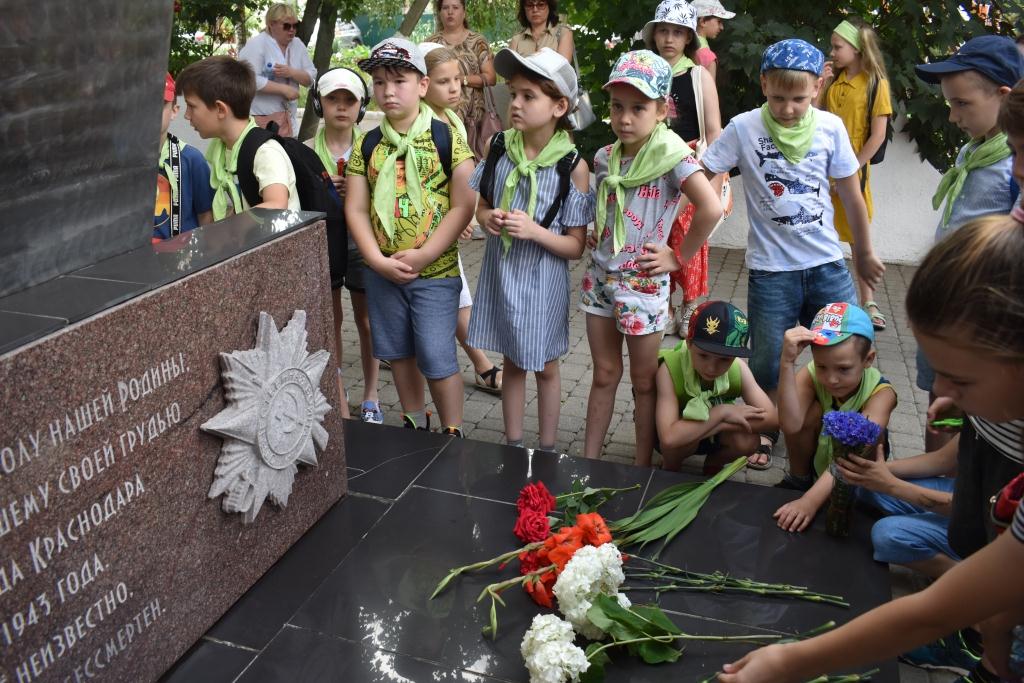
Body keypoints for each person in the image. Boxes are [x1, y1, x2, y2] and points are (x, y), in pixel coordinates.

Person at [716, 212, 1024, 683]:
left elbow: (934, 610)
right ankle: (991, 653)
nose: (938, 392)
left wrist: (792, 659)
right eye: (936, 372)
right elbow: (794, 423)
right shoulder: (992, 417)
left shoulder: (881, 395)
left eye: (959, 378)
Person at [680, 38, 885, 481]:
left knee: (847, 347)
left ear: (817, 85)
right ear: (763, 85)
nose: (788, 108)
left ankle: (858, 432)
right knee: (770, 358)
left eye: (798, 98)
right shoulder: (744, 127)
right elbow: (704, 178)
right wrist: (676, 235)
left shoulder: (830, 129)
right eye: (777, 97)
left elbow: (852, 196)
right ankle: (772, 427)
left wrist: (864, 252)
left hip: (827, 263)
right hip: (772, 271)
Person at [581, 50, 721, 467]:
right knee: (604, 374)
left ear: (662, 110)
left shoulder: (673, 157)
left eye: (638, 108)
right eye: (617, 107)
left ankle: (642, 469)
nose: (625, 118)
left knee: (644, 382)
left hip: (643, 284)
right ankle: (587, 463)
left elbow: (710, 208)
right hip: (600, 279)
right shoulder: (606, 156)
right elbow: (604, 203)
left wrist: (678, 258)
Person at [346, 37, 475, 435]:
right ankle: (415, 423)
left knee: (437, 356)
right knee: (398, 354)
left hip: (434, 273)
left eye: (399, 80)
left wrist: (424, 255)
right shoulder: (367, 144)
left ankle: (453, 431)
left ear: (422, 84)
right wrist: (376, 260)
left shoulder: (445, 138)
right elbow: (355, 207)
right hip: (384, 274)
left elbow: (463, 204)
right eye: (380, 82)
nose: (388, 91)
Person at [467, 48, 593, 450]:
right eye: (513, 93)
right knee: (513, 360)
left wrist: (535, 231)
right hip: (503, 273)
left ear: (560, 106)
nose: (515, 104)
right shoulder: (499, 148)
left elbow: (575, 246)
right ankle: (514, 441)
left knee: (546, 365)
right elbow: (482, 206)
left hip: (543, 280)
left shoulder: (572, 166)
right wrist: (488, 220)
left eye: (528, 97)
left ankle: (549, 447)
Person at [912, 35, 1022, 453]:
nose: (954, 116)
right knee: (938, 403)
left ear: (1003, 95)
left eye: (963, 104)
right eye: (950, 104)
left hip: (978, 314)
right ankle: (934, 488)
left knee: (969, 411)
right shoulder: (972, 151)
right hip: (946, 301)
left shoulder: (1014, 164)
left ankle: (957, 493)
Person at [420, 41, 504, 395]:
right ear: (423, 84)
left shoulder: (451, 118)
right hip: (429, 227)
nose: (455, 88)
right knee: (456, 296)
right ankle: (479, 364)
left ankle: (477, 361)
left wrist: (468, 210)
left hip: (449, 224)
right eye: (444, 81)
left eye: (457, 79)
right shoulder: (423, 125)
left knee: (456, 294)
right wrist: (459, 214)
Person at [772, 303, 897, 532]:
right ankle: (799, 480)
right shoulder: (811, 374)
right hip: (821, 465)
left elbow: (852, 456)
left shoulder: (882, 394)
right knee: (807, 413)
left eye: (843, 369)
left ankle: (838, 498)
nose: (831, 379)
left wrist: (810, 502)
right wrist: (786, 363)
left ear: (868, 359)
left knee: (872, 435)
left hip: (857, 478)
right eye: (822, 366)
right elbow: (790, 425)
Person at [641, 0, 723, 341]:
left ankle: (691, 302)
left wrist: (713, 178)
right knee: (655, 230)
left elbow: (715, 132)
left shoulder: (698, 75)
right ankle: (666, 304)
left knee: (689, 233)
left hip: (690, 166)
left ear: (689, 37)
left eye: (677, 32)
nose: (669, 39)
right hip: (651, 166)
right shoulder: (644, 70)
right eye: (663, 30)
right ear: (654, 34)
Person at [304, 67, 371, 421]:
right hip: (326, 243)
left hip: (364, 241)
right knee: (331, 318)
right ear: (319, 103)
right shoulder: (305, 152)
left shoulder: (374, 148)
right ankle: (339, 391)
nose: (341, 107)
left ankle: (372, 394)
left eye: (350, 100)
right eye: (333, 99)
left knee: (368, 319)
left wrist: (360, 189)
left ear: (361, 107)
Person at [818, 18, 893, 332]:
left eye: (838, 47)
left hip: (853, 172)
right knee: (824, 231)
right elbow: (817, 117)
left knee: (857, 235)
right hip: (824, 167)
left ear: (858, 48)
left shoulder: (876, 84)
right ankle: (828, 299)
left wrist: (850, 170)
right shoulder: (835, 81)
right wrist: (821, 85)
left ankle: (868, 300)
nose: (832, 52)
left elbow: (877, 137)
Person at [654, 301, 777, 473]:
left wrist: (720, 425)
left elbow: (772, 419)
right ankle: (670, 467)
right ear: (689, 343)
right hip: (674, 434)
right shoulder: (669, 369)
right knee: (676, 445)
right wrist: (722, 414)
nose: (712, 368)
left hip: (701, 432)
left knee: (748, 442)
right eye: (703, 356)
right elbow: (669, 438)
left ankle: (714, 463)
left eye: (724, 359)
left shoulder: (738, 369)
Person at [176, 56, 299, 220]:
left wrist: (228, 232)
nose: (187, 115)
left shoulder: (265, 152)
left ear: (220, 109)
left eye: (191, 106)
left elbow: (276, 205)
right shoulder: (226, 147)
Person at [427, 0, 497, 159]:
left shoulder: (478, 41)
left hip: (474, 119)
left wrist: (462, 79)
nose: (450, 12)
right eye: (445, 8)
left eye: (455, 7)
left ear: (464, 12)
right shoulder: (431, 43)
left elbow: (491, 77)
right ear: (440, 13)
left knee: (472, 164)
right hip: (440, 115)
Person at [237, 3, 316, 138]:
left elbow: (311, 78)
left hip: (288, 120)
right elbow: (248, 78)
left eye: (295, 25)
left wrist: (291, 72)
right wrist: (282, 89)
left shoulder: (297, 45)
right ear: (271, 24)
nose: (292, 30)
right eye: (286, 26)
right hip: (260, 119)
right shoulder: (256, 45)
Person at [154, 72, 214, 242]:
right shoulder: (118, 162)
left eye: (160, 105)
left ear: (174, 111)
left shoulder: (192, 159)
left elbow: (206, 216)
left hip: (180, 258)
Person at [507, 0, 574, 62]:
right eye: (530, 5)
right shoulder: (516, 40)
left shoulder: (563, 32)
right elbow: (511, 73)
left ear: (549, 6)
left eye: (541, 5)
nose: (535, 10)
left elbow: (562, 69)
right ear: (524, 9)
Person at [691, 0, 735, 81]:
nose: (722, 27)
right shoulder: (708, 57)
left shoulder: (681, 47)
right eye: (719, 21)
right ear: (703, 21)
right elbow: (710, 91)